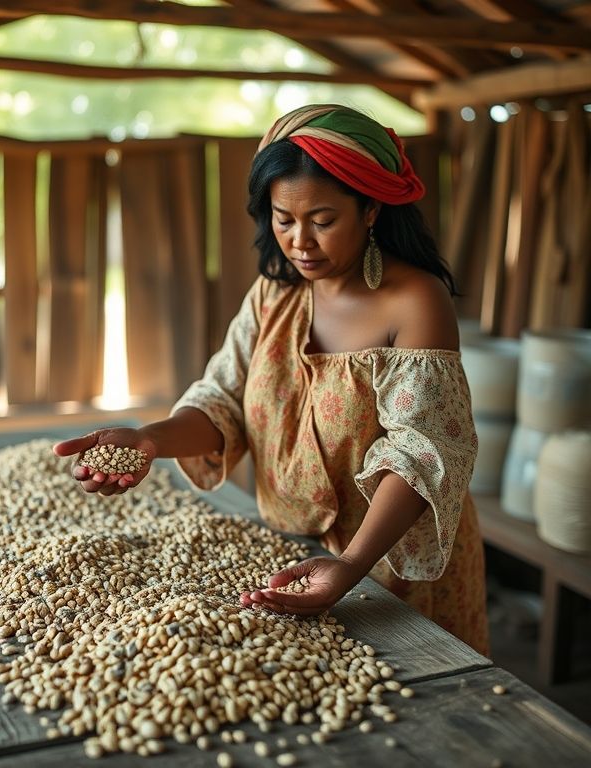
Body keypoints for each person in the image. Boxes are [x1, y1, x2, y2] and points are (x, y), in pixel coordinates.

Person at [54, 104, 489, 656]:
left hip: (391, 559)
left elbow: (422, 452)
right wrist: (149, 439)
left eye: (323, 221)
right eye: (284, 219)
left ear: (372, 209)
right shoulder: (274, 295)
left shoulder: (415, 302)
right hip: (290, 550)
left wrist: (351, 564)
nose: (300, 242)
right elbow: (223, 400)